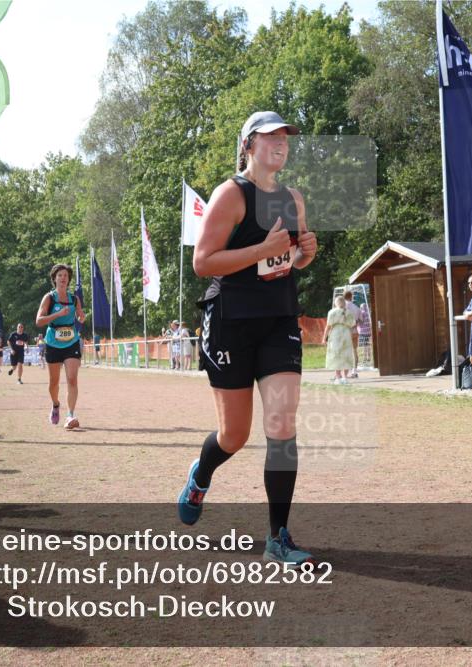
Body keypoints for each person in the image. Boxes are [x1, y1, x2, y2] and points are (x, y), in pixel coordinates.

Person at [177, 111, 318, 566]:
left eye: (285, 137)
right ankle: (201, 476)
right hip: (231, 322)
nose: (281, 143)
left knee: (281, 424)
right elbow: (203, 262)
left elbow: (288, 259)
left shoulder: (293, 199)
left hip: (278, 320)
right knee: (234, 434)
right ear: (248, 145)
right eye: (270, 136)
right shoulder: (231, 194)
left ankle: (278, 538)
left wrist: (302, 257)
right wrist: (262, 250)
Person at [36, 264, 86, 429]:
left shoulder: (74, 299)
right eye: (60, 275)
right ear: (54, 279)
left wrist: (81, 317)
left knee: (72, 379)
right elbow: (39, 321)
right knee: (53, 383)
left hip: (71, 342)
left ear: (68, 279)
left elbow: (80, 315)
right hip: (53, 343)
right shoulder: (49, 298)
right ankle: (56, 404)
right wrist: (58, 314)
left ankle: (70, 415)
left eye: (65, 275)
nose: (63, 278)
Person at [323, 295, 356, 384]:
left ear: (335, 303)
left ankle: (338, 378)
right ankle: (345, 378)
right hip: (346, 333)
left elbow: (328, 326)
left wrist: (324, 338)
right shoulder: (349, 312)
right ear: (344, 303)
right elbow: (352, 324)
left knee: (336, 355)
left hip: (335, 334)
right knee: (346, 354)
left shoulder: (332, 312)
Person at [343, 289, 363, 378]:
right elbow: (361, 321)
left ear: (343, 297)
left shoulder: (342, 308)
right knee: (354, 351)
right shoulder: (357, 308)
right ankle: (354, 371)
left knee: (344, 351)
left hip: (344, 332)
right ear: (351, 297)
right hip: (354, 332)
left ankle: (344, 373)